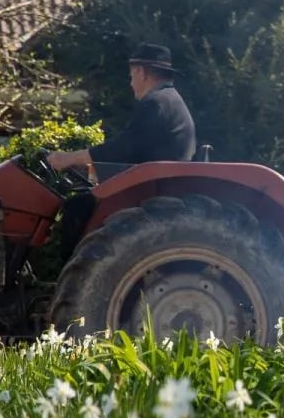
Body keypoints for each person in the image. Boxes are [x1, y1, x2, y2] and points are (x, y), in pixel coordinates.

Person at [48, 43, 198, 260]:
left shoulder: (156, 102)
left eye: (131, 76)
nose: (130, 83)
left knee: (76, 208)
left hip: (153, 190)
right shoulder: (169, 100)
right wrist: (90, 168)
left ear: (141, 72)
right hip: (156, 183)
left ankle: (71, 287)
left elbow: (124, 147)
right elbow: (138, 151)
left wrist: (68, 158)